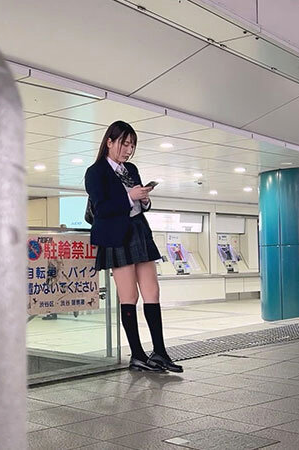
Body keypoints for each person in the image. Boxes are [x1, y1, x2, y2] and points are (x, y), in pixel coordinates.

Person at [84, 120, 182, 373]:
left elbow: (139, 204)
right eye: (124, 144)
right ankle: (137, 355)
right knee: (129, 296)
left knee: (152, 292)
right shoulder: (95, 172)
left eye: (132, 145)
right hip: (116, 236)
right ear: (109, 142)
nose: (128, 150)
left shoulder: (131, 169)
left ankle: (160, 353)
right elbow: (101, 208)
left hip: (139, 231)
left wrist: (144, 200)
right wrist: (129, 197)